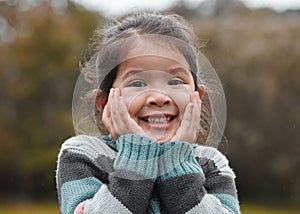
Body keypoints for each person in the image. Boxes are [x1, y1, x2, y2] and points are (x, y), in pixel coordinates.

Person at [56, 11, 240, 214]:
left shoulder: (212, 164)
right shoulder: (84, 155)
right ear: (104, 101)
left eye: (175, 81)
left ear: (197, 96)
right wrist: (137, 157)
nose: (159, 97)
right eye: (138, 83)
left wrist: (178, 162)